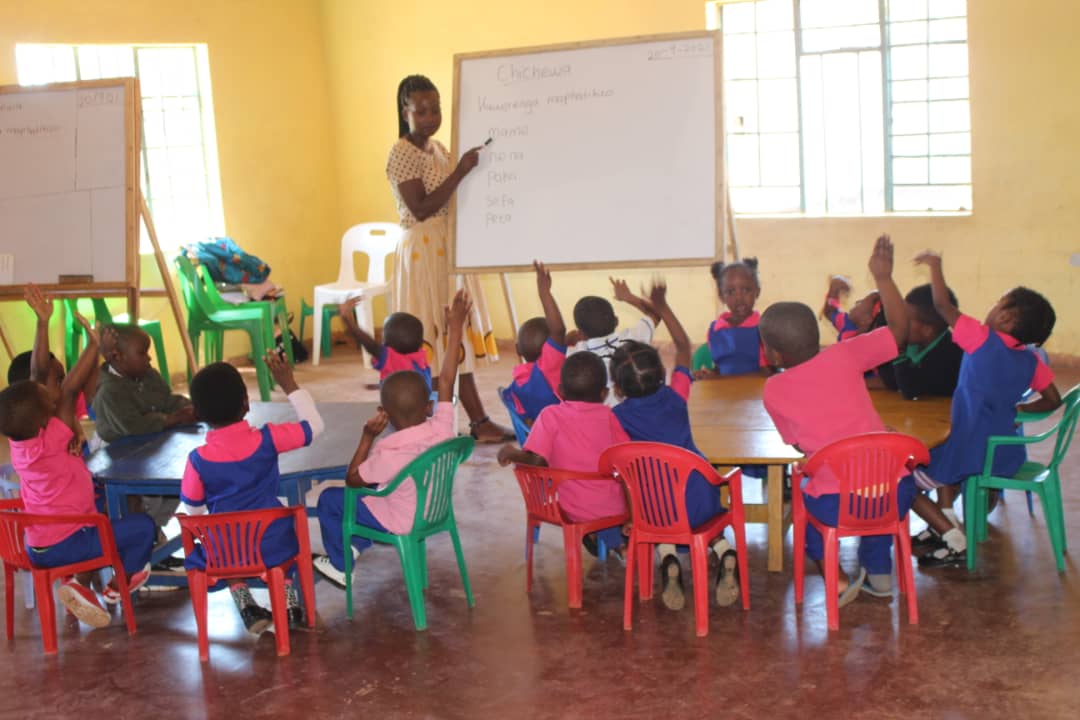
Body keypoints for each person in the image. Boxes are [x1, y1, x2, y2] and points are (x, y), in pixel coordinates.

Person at [759, 235, 954, 601]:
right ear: (818, 336)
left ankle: (837, 575)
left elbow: (799, 445)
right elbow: (898, 331)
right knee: (878, 495)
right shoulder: (845, 355)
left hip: (836, 503)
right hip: (896, 493)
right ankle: (878, 572)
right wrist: (883, 278)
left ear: (772, 352)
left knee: (807, 509)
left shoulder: (774, 390)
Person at [0, 285, 153, 629]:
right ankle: (115, 586)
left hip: (36, 546)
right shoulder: (53, 436)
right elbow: (66, 386)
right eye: (46, 390)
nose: (49, 386)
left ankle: (79, 589)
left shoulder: (24, 444)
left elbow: (43, 378)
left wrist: (43, 323)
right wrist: (94, 346)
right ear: (43, 416)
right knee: (140, 527)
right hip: (69, 542)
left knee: (93, 516)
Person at [907, 251, 1061, 567]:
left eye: (997, 302)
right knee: (947, 456)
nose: (991, 306)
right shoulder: (1031, 360)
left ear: (1005, 318)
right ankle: (945, 522)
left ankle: (950, 536)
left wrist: (935, 267)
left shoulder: (981, 339)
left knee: (907, 474)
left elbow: (942, 307)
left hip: (969, 449)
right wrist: (1020, 406)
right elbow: (1053, 400)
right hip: (1004, 452)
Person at [313, 289, 471, 588]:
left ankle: (340, 567)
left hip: (401, 520)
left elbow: (353, 479)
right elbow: (448, 379)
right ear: (429, 405)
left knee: (332, 499)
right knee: (376, 491)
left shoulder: (388, 449)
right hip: (435, 512)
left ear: (385, 412)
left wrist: (366, 437)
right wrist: (456, 328)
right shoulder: (442, 427)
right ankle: (357, 544)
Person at [386, 73, 510, 443]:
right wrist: (460, 172)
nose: (429, 117)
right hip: (424, 250)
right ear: (404, 111)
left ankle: (476, 421)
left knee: (456, 334)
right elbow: (421, 208)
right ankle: (433, 424)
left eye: (435, 109)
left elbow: (455, 194)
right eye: (420, 111)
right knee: (434, 337)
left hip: (447, 247)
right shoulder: (401, 152)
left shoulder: (438, 147)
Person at [610, 281, 738, 610]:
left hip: (655, 506)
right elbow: (684, 345)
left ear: (619, 389)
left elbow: (622, 473)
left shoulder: (617, 417)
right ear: (662, 373)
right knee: (705, 517)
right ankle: (723, 551)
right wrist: (662, 306)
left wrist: (631, 512)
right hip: (698, 494)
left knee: (660, 520)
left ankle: (668, 560)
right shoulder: (676, 394)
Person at [181, 352, 323, 633]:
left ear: (197, 412)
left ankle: (244, 602)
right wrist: (289, 384)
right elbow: (314, 428)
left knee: (220, 541)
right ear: (246, 404)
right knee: (285, 532)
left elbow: (193, 511)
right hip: (273, 545)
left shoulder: (197, 460)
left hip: (226, 554)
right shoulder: (268, 439)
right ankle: (289, 602)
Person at [497, 351, 630, 558]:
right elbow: (625, 459)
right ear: (604, 394)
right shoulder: (610, 416)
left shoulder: (550, 416)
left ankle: (607, 540)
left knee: (586, 501)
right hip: (616, 506)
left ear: (560, 391)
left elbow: (536, 460)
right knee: (603, 497)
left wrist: (512, 453)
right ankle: (618, 543)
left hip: (575, 507)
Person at [92, 323, 196, 559]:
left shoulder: (148, 376)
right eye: (142, 353)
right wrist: (170, 419)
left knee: (181, 483)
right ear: (117, 357)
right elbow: (132, 426)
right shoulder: (109, 390)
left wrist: (188, 408)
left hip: (152, 449)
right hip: (119, 457)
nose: (149, 358)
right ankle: (142, 547)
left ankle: (153, 539)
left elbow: (166, 400)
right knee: (141, 499)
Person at [567, 278, 661, 406]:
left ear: (581, 334)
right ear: (616, 321)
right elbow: (655, 315)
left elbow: (553, 348)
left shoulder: (577, 355)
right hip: (640, 413)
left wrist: (567, 339)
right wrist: (628, 297)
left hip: (603, 422)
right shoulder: (633, 340)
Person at [505, 261, 567, 424]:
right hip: (563, 437)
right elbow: (558, 330)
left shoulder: (516, 385)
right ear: (550, 348)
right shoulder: (549, 368)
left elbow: (526, 422)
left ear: (518, 349)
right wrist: (544, 292)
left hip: (538, 440)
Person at [877, 283, 964, 399]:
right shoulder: (916, 344)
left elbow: (910, 390)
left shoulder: (949, 355)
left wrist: (899, 349)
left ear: (926, 330)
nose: (900, 322)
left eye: (906, 319)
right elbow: (891, 381)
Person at [338, 298, 431, 392]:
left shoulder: (392, 358)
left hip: (405, 405)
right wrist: (382, 384)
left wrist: (346, 318)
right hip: (424, 402)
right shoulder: (421, 357)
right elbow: (407, 380)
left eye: (383, 335)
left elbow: (370, 345)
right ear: (420, 343)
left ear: (387, 344)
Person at [702, 258, 767, 376]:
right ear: (721, 296)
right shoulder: (715, 329)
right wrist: (710, 374)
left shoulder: (764, 327)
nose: (739, 298)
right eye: (731, 292)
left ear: (757, 291)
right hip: (726, 392)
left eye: (746, 290)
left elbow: (768, 372)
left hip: (756, 392)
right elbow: (721, 368)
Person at [822, 275, 882, 343]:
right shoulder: (848, 323)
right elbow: (829, 311)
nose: (856, 302)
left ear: (866, 320)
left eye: (861, 303)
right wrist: (834, 289)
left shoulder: (870, 343)